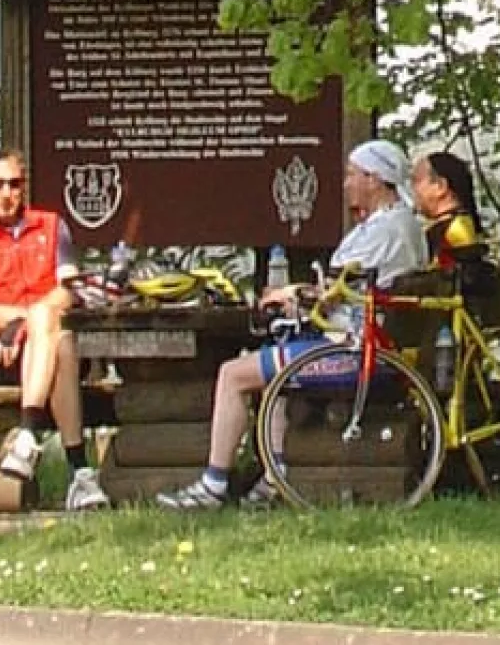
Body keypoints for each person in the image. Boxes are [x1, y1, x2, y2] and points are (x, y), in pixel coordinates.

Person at [154, 139, 428, 511]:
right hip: (364, 342)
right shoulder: (396, 225)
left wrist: (289, 295)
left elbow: (335, 291)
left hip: (355, 351)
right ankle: (273, 481)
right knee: (271, 369)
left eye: (352, 174)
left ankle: (213, 485)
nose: (346, 182)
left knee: (233, 375)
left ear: (375, 179)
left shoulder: (386, 230)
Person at [0, 147, 110, 511]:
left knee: (58, 338)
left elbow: (69, 290)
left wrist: (29, 320)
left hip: (46, 346)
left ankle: (28, 436)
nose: (6, 193)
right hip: (5, 355)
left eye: (14, 184)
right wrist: (25, 320)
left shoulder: (51, 225)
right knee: (59, 340)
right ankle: (80, 473)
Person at [411, 151, 485, 266]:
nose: (412, 189)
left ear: (441, 186)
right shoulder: (449, 228)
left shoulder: (457, 231)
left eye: (416, 181)